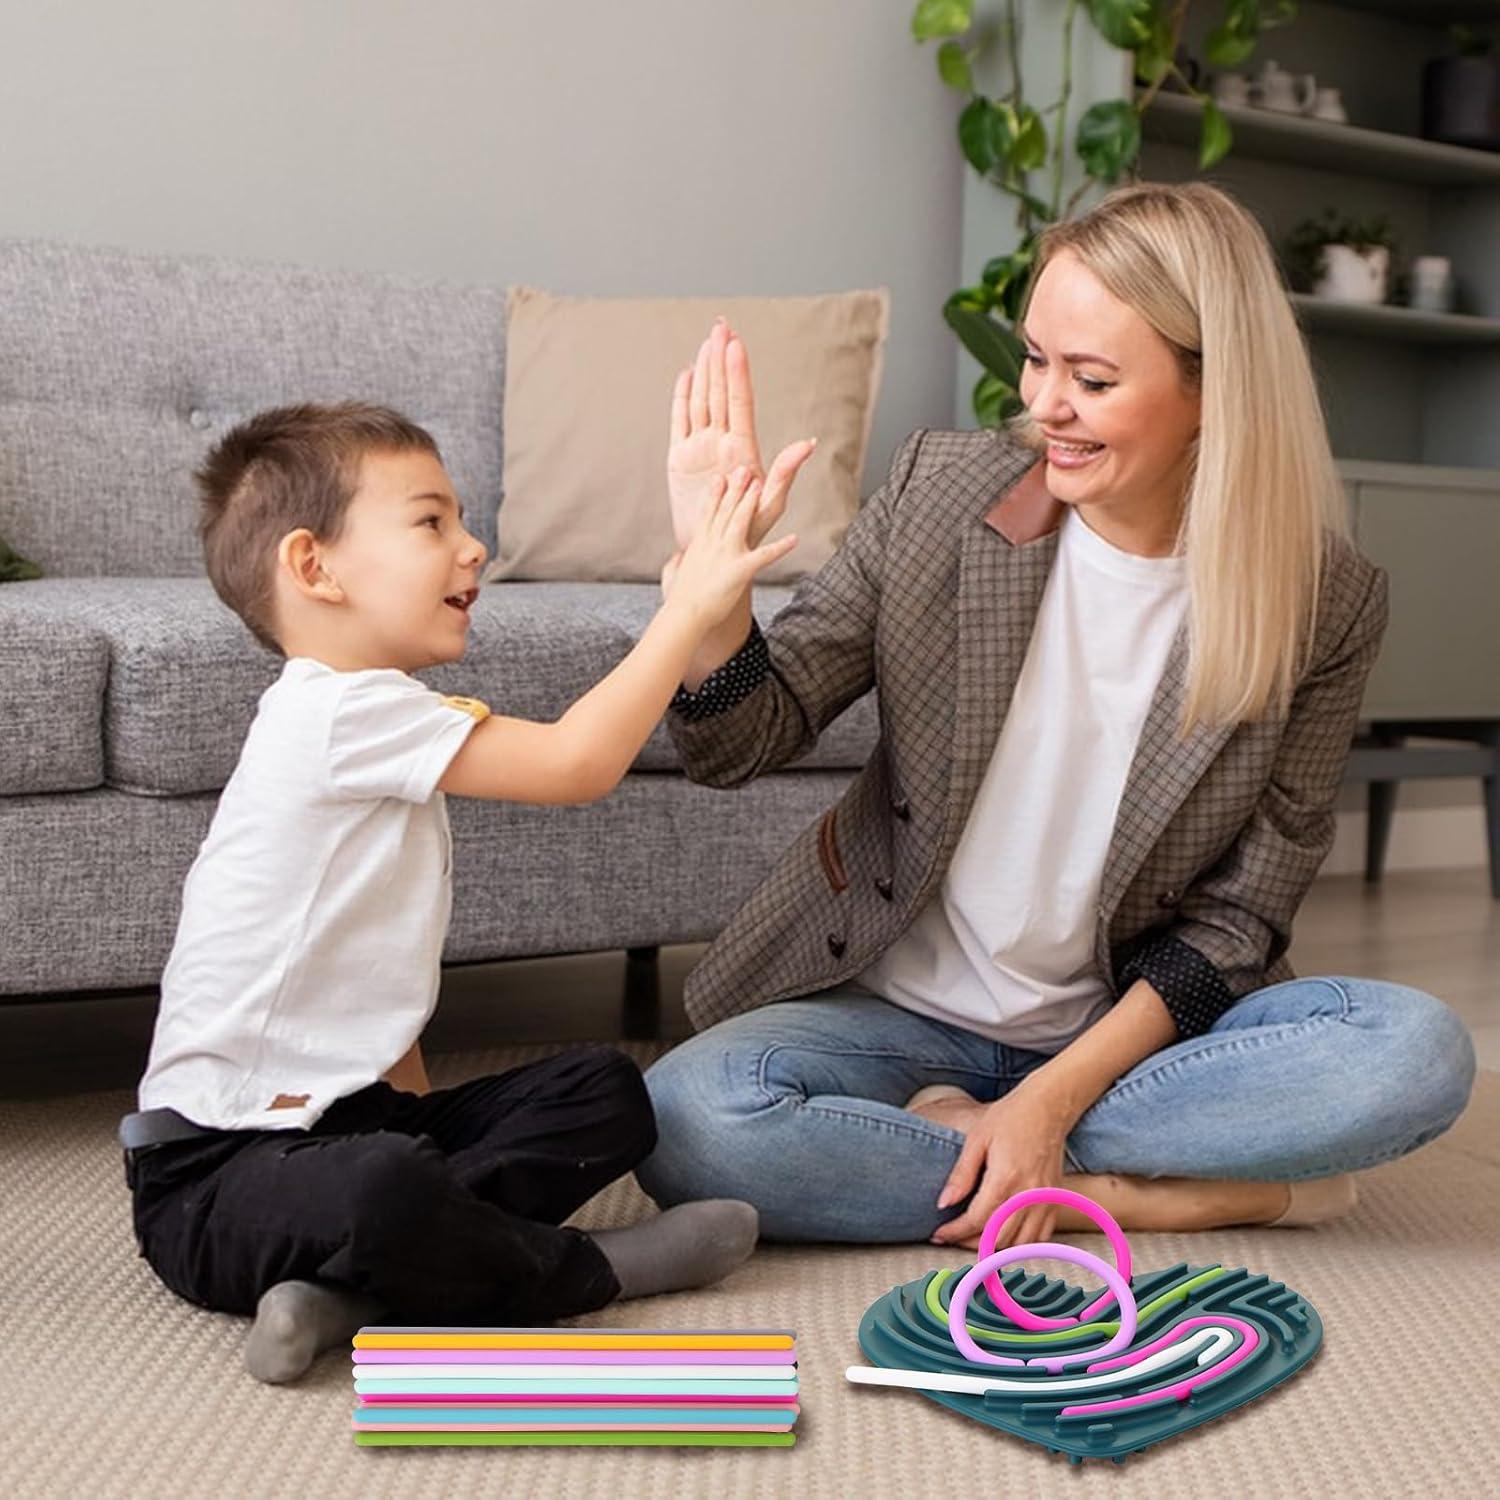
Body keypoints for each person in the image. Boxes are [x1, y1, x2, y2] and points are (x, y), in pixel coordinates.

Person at [635, 182, 1478, 1253]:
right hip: (898, 1018)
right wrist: (709, 598)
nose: (1045, 407)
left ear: (1212, 390)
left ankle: (1023, 1167)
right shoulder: (944, 492)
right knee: (687, 1116)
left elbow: (1238, 923)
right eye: (1036, 359)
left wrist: (1050, 1103)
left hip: (1127, 1034)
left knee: (1414, 1053)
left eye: (1092, 378)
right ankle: (1180, 1182)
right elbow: (743, 738)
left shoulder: (1322, 603)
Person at [122, 401, 807, 1383]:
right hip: (212, 1180)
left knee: (603, 1092)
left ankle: (355, 1292)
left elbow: (363, 998)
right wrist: (687, 612)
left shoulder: (380, 720)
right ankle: (584, 1274)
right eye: (431, 522)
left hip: (352, 1126)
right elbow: (576, 761)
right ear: (314, 568)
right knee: (385, 1184)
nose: (472, 547)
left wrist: (424, 1141)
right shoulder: (335, 713)